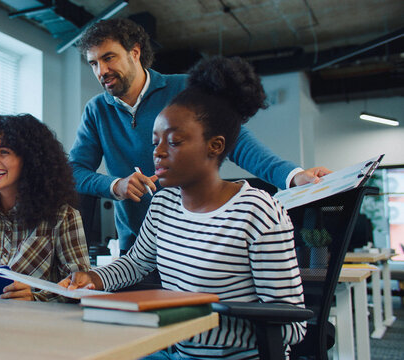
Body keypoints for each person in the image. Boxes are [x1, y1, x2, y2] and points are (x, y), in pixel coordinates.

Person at [61, 56, 306, 358]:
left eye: (174, 142)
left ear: (214, 146)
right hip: (176, 351)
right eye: (155, 142)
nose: (159, 153)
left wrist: (205, 315)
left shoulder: (257, 211)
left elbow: (292, 324)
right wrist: (95, 278)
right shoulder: (164, 202)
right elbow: (138, 263)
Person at [69, 18, 330, 253]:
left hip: (194, 241)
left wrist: (293, 176)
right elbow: (75, 171)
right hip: (137, 248)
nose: (101, 71)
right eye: (94, 63)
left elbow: (236, 140)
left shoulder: (184, 88)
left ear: (134, 53)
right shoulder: (97, 110)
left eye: (109, 58)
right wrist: (115, 186)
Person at [0, 114, 91, 302]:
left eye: (4, 152)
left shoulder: (63, 217)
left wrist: (36, 298)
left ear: (30, 160)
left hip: (38, 328)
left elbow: (80, 291)